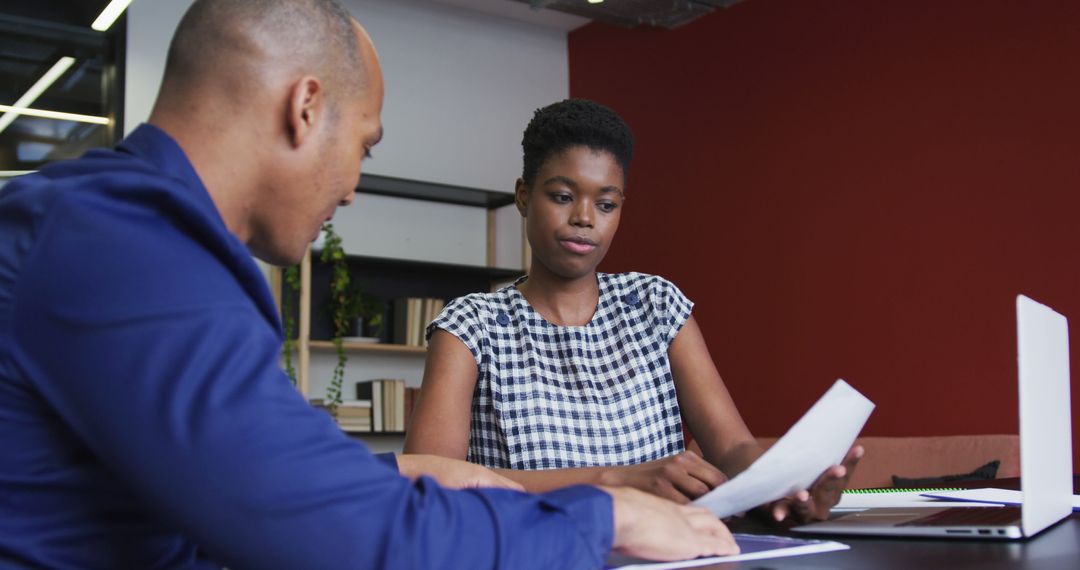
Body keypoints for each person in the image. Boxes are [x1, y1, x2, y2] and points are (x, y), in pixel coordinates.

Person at [0, 2, 737, 568]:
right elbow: (326, 533)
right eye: (363, 144)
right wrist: (607, 519)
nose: (352, 186)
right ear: (306, 107)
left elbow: (237, 476)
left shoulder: (119, 231)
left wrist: (395, 468)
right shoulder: (126, 248)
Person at [404, 99, 862, 521]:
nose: (585, 217)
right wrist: (612, 481)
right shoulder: (472, 325)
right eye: (563, 196)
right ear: (523, 196)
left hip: (668, 555)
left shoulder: (655, 304)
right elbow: (430, 483)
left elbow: (733, 447)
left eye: (605, 204)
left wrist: (786, 487)